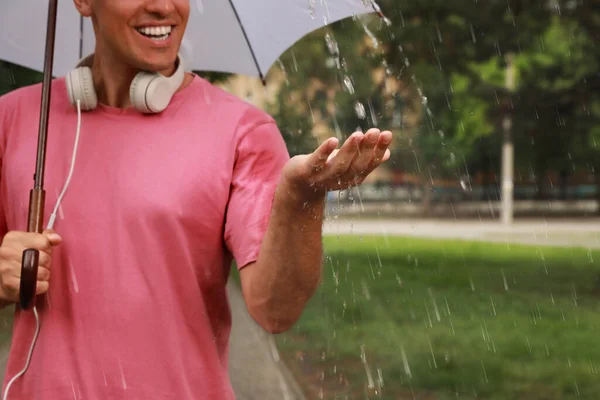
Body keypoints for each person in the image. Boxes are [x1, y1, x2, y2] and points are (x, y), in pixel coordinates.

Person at [0, 0, 392, 398]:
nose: (163, 7)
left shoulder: (243, 131)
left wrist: (301, 198)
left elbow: (276, 309)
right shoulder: (12, 118)